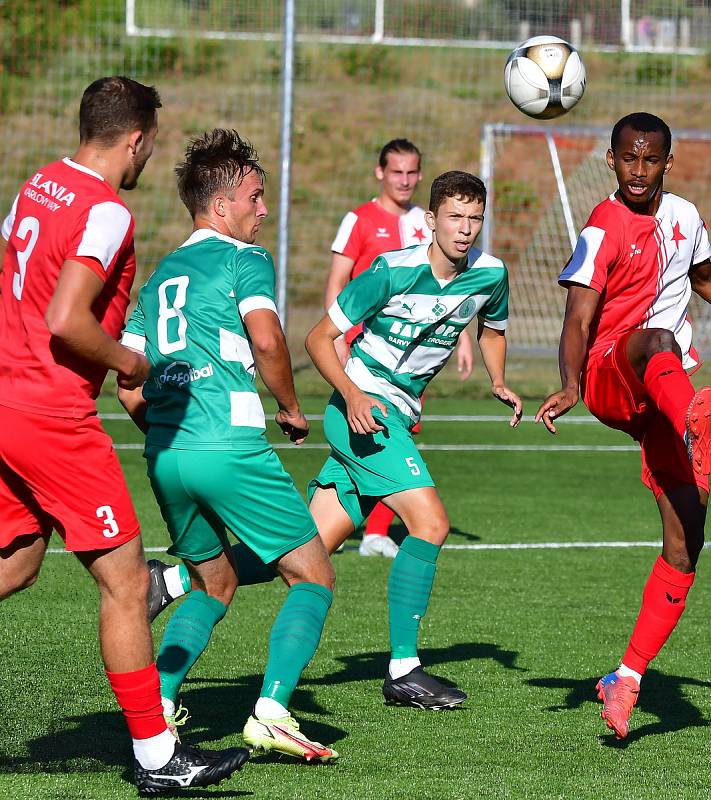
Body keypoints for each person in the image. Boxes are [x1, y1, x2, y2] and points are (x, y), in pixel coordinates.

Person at [0, 77, 248, 793]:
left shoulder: (36, 185)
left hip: (9, 403)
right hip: (51, 417)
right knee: (126, 582)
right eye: (151, 144)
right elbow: (65, 318)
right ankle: (156, 757)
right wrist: (130, 362)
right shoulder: (104, 211)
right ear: (136, 139)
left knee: (15, 562)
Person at [118, 128, 339, 763]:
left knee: (214, 583)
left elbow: (128, 386)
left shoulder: (160, 277)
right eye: (256, 196)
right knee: (313, 573)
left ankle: (157, 705)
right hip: (230, 446)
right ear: (221, 204)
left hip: (166, 455)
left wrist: (174, 439)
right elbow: (267, 340)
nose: (263, 209)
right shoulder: (246, 261)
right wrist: (291, 409)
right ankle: (271, 710)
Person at [306, 170, 522, 708]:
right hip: (366, 409)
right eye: (455, 217)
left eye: (475, 218)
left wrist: (497, 379)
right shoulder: (390, 270)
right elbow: (317, 339)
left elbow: (492, 328)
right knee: (431, 523)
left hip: (396, 412)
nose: (466, 229)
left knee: (297, 554)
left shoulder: (491, 274)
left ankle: (171, 583)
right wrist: (354, 395)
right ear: (431, 220)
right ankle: (404, 669)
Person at [535, 112, 711, 740]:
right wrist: (570, 382)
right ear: (610, 160)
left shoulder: (688, 217)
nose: (640, 171)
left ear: (670, 160)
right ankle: (699, 421)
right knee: (658, 338)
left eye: (652, 160)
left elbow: (702, 278)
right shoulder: (602, 226)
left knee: (686, 539)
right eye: (629, 159)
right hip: (616, 369)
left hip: (664, 391)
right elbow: (579, 317)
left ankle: (627, 676)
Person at [325, 139, 475, 558]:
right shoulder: (358, 220)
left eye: (412, 173)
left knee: (396, 434)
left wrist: (462, 336)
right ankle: (348, 525)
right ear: (381, 173)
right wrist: (337, 338)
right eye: (397, 172)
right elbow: (337, 281)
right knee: (371, 434)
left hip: (413, 350)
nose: (405, 181)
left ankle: (368, 531)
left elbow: (444, 284)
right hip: (365, 348)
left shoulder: (423, 223)